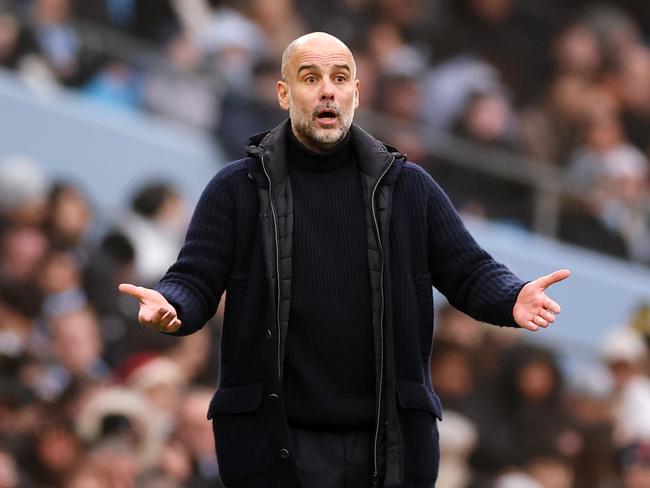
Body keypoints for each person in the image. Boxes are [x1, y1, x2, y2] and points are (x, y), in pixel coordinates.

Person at [119, 32, 570, 488]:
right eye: (310, 78)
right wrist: (172, 303)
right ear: (283, 93)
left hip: (386, 448)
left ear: (356, 93)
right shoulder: (236, 188)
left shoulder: (409, 187)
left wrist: (512, 296)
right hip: (272, 446)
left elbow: (469, 270)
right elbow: (195, 278)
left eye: (340, 78)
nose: (327, 90)